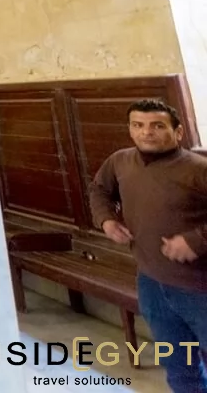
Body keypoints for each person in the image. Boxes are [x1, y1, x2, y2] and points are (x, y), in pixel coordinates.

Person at [89, 99, 207, 393]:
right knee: (180, 367)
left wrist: (196, 240)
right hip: (151, 283)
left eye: (157, 126)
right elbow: (99, 189)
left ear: (178, 132)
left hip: (198, 287)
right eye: (138, 125)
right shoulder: (120, 161)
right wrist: (106, 220)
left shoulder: (198, 169)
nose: (146, 133)